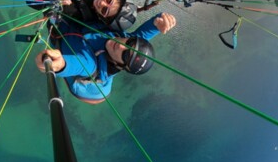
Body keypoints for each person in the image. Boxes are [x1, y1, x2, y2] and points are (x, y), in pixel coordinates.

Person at [35, 12, 176, 104]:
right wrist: (159, 23)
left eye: (125, 55)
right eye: (130, 44)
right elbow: (144, 35)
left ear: (120, 65)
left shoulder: (91, 64)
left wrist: (58, 64)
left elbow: (75, 64)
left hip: (63, 29)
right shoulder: (125, 40)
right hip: (78, 23)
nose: (121, 46)